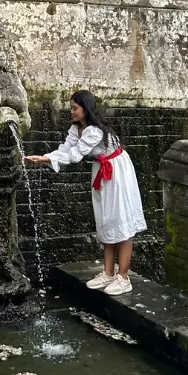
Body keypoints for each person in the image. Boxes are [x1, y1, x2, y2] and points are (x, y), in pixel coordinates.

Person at [25, 90, 146, 296]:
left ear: (85, 109)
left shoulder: (95, 131)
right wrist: (46, 156)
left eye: (75, 108)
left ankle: (123, 278)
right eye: (71, 108)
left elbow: (75, 155)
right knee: (106, 219)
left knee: (122, 220)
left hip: (117, 171)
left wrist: (46, 159)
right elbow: (66, 149)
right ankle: (108, 273)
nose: (71, 112)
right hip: (102, 169)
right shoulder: (77, 129)